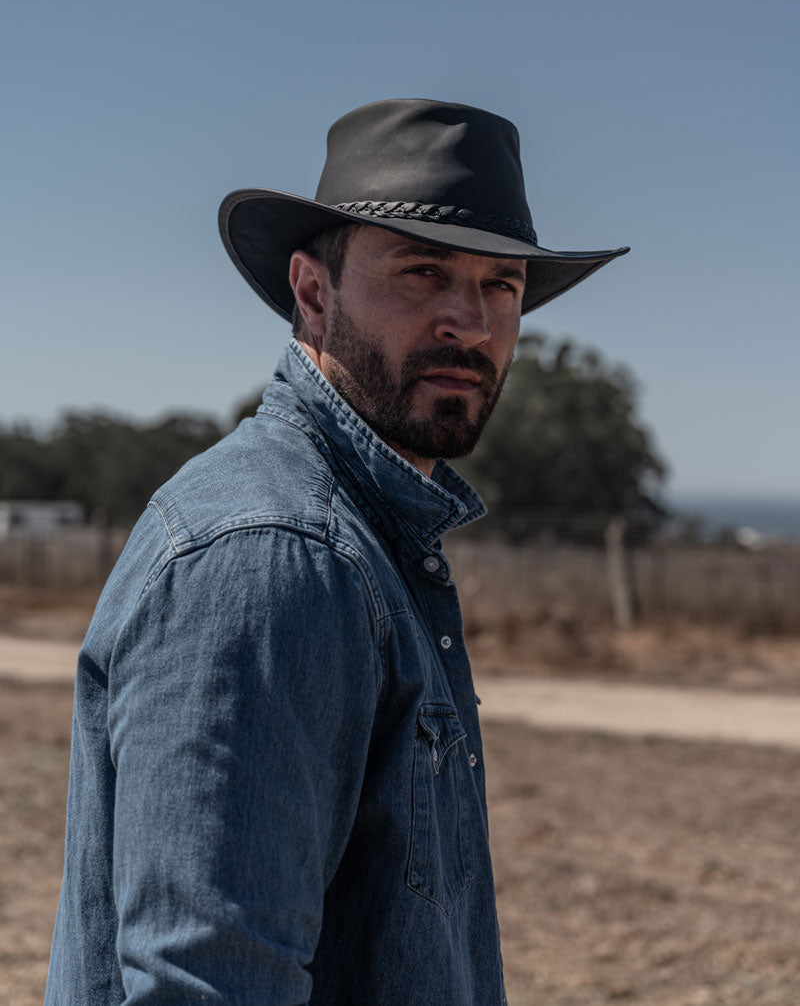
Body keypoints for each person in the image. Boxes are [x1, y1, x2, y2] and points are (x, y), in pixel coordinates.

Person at [45, 98, 628, 1004]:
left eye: (501, 286)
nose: (470, 324)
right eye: (422, 272)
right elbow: (208, 985)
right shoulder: (272, 555)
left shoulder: (366, 538)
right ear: (313, 294)